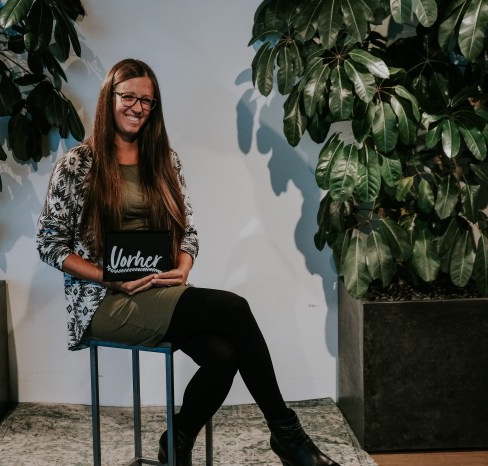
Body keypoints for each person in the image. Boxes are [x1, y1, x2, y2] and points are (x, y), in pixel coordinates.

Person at [37, 58, 338, 466]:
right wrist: (109, 278)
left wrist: (183, 266)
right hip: (104, 301)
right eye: (129, 97)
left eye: (147, 100)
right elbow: (49, 244)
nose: (138, 107)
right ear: (109, 98)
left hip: (160, 288)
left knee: (223, 356)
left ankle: (176, 440)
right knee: (233, 307)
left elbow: (188, 230)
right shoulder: (77, 164)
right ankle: (288, 436)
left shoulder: (165, 160)